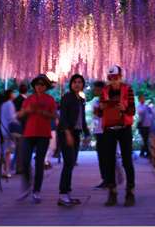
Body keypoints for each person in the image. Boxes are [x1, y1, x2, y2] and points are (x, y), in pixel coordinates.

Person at [95, 65, 136, 207]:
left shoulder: (127, 89)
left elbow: (132, 111)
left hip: (124, 128)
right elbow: (99, 114)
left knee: (127, 160)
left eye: (115, 78)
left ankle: (130, 192)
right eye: (110, 79)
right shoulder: (105, 91)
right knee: (109, 161)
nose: (113, 81)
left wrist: (123, 108)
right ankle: (112, 193)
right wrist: (101, 108)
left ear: (120, 76)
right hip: (109, 128)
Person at [16, 74, 57, 203]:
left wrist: (43, 112)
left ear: (46, 86)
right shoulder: (29, 98)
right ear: (34, 85)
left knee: (39, 163)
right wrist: (29, 109)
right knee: (25, 161)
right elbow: (20, 114)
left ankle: (36, 191)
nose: (39, 86)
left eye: (42, 84)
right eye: (37, 84)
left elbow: (54, 115)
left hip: (43, 134)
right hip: (29, 133)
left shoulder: (50, 99)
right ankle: (27, 185)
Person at [57, 74, 89, 207]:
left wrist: (86, 133)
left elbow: (82, 118)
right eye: (75, 82)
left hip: (76, 133)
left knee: (71, 163)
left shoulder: (80, 99)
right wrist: (68, 134)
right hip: (66, 133)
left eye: (79, 82)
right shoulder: (67, 97)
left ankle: (68, 192)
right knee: (68, 163)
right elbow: (63, 118)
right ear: (71, 84)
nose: (77, 84)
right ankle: (62, 194)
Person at [90, 81, 109, 189]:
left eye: (98, 90)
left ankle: (109, 179)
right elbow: (96, 114)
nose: (96, 92)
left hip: (106, 130)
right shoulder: (96, 102)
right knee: (101, 157)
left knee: (106, 157)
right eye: (95, 90)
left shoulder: (108, 100)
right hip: (99, 131)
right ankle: (105, 179)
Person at [0, 89, 19, 178]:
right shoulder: (9, 104)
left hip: (3, 130)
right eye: (13, 92)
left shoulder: (3, 104)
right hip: (9, 131)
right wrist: (18, 114)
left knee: (3, 151)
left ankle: (1, 169)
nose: (14, 94)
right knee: (8, 152)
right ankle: (5, 170)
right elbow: (11, 117)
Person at [13, 83, 29, 175]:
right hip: (22, 126)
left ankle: (15, 166)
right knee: (21, 148)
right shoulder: (24, 100)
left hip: (16, 126)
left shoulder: (16, 100)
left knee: (18, 148)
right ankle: (19, 168)